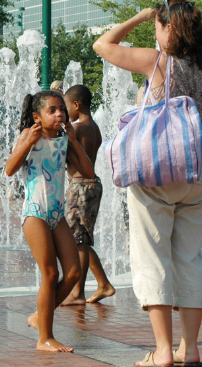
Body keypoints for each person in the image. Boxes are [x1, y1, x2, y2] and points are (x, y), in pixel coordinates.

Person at [93, 0, 202, 367]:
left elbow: (102, 45)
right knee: (189, 260)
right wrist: (188, 149)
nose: (154, 31)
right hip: (198, 176)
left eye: (157, 25)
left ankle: (163, 352)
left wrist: (140, 15)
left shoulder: (157, 61)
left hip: (156, 177)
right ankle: (191, 349)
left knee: (152, 258)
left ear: (168, 29)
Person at [4, 90, 94, 353]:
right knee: (50, 273)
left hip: (57, 214)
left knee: (74, 272)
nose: (60, 115)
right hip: (35, 212)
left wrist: (75, 142)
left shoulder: (65, 140)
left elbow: (89, 173)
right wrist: (27, 142)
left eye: (62, 110)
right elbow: (10, 169)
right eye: (52, 110)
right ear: (37, 116)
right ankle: (44, 337)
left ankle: (39, 318)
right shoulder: (29, 137)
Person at [61, 85, 115, 305]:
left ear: (76, 105)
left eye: (65, 107)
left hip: (80, 186)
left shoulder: (77, 129)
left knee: (79, 242)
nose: (64, 113)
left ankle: (77, 293)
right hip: (93, 185)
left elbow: (71, 159)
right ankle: (103, 284)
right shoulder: (95, 127)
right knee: (82, 239)